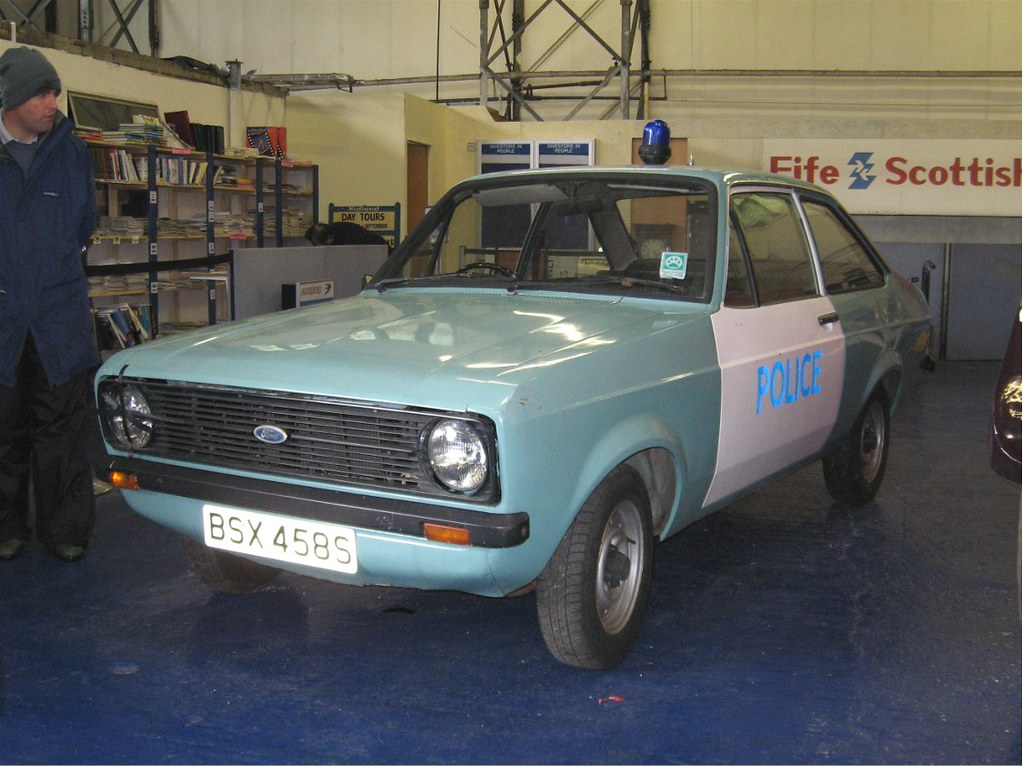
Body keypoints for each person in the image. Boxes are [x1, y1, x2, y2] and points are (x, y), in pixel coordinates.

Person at [0, 47, 99, 562]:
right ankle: (5, 528)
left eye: (55, 92)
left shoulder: (71, 152)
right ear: (11, 100)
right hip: (4, 320)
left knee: (61, 431)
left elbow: (85, 224)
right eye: (41, 93)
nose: (51, 102)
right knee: (3, 429)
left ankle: (64, 531)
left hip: (58, 318)